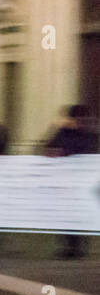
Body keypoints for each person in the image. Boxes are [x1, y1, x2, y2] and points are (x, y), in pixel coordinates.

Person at [43, 104, 98, 259]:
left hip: (81, 180)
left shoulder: (89, 133)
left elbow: (89, 150)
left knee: (78, 213)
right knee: (63, 213)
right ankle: (66, 246)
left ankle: (77, 247)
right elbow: (49, 146)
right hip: (63, 179)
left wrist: (65, 152)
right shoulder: (62, 131)